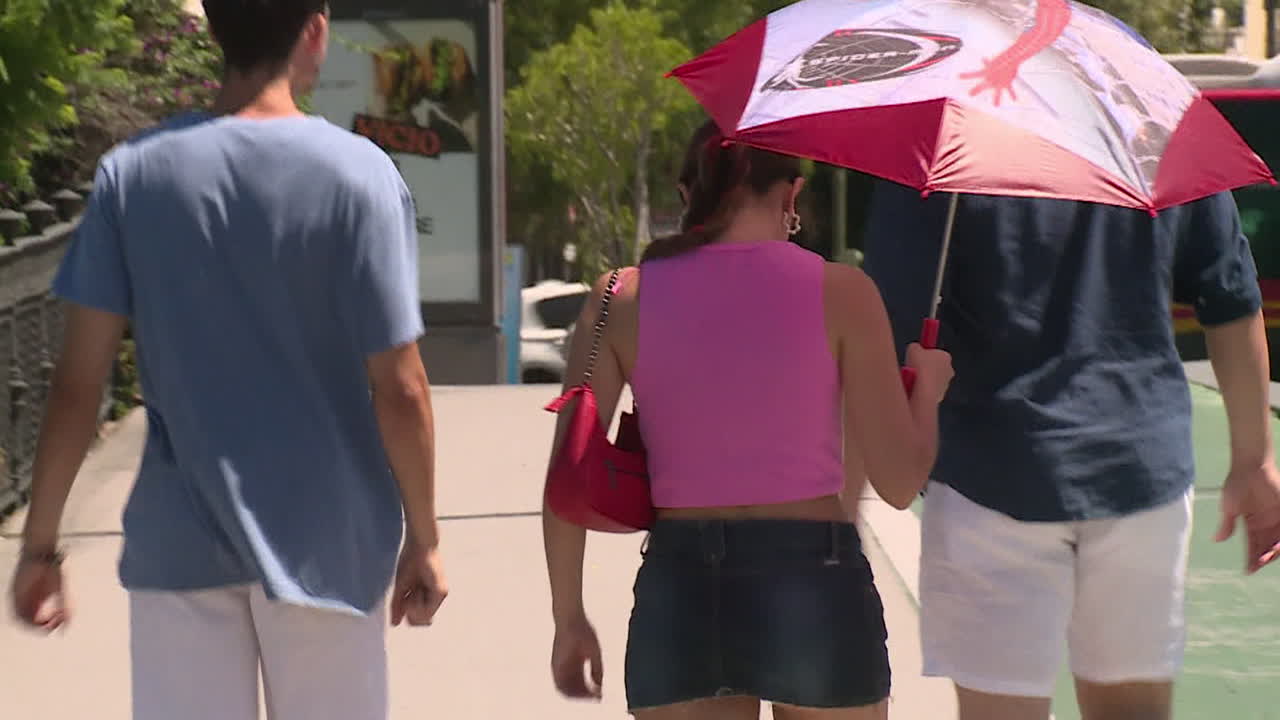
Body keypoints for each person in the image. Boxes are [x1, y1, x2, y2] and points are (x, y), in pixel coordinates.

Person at [8, 2, 447, 718]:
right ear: (314, 31)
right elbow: (400, 388)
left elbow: (76, 388)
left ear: (213, 31)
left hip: (179, 550)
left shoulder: (132, 175)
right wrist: (424, 538)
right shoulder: (360, 177)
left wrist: (41, 548)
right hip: (327, 546)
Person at [541, 119, 954, 720]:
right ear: (792, 196)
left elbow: (565, 478)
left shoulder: (620, 299)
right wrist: (928, 392)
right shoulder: (844, 293)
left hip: (680, 584)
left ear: (689, 195)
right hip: (814, 577)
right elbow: (897, 480)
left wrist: (568, 617)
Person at [862, 182, 1280, 720]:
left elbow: (890, 309)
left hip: (990, 470)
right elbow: (1230, 294)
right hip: (1141, 464)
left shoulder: (945, 144)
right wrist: (1253, 459)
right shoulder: (1156, 124)